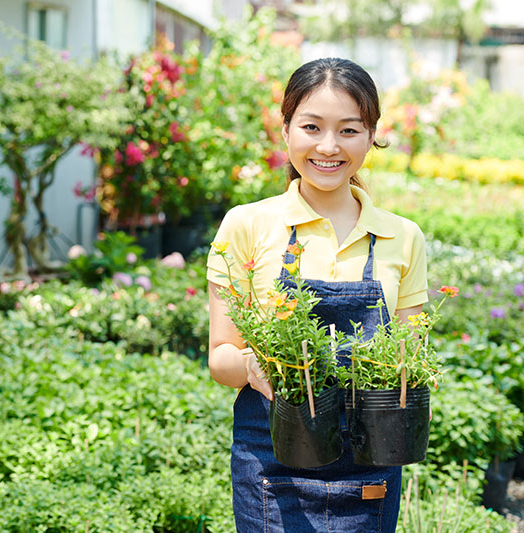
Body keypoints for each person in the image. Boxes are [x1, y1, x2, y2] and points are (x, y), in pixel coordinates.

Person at [206, 57, 428, 532]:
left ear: (372, 135)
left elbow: (408, 355)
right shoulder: (246, 225)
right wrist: (252, 365)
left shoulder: (402, 237)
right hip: (271, 457)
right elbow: (220, 356)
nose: (328, 147)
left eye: (349, 130)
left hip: (370, 461)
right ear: (285, 130)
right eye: (311, 126)